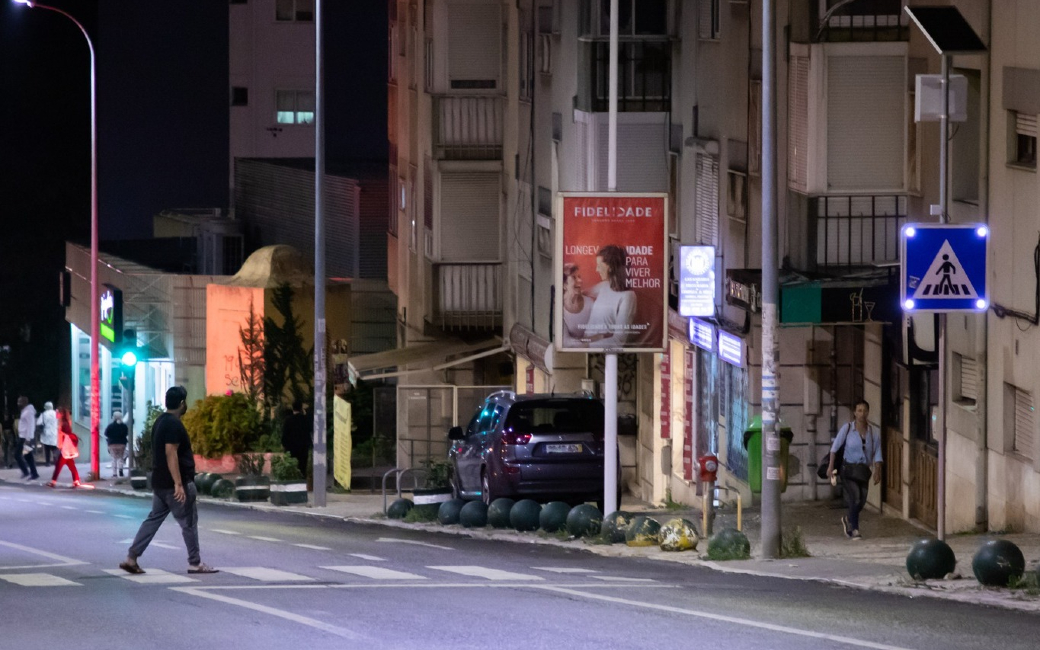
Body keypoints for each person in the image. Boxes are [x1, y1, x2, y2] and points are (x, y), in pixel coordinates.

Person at [120, 386, 218, 575]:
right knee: (188, 523)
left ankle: (131, 558)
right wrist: (179, 484)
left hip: (159, 483)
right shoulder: (174, 424)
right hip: (175, 484)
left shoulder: (160, 422)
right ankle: (195, 562)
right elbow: (170, 451)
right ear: (182, 403)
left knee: (153, 520)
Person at [826, 399, 883, 540]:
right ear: (854, 413)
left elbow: (877, 452)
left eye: (864, 411)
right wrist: (831, 466)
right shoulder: (847, 429)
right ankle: (854, 529)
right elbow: (834, 448)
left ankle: (848, 518)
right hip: (848, 469)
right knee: (856, 498)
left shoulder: (873, 432)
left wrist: (877, 470)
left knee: (862, 500)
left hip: (863, 471)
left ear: (868, 412)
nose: (862, 414)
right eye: (859, 410)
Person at [585, 245, 636, 349]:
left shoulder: (628, 296)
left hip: (600, 355)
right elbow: (579, 294)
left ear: (611, 267)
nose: (596, 270)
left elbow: (618, 341)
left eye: (599, 265)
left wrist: (585, 346)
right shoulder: (604, 286)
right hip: (583, 347)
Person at [47, 407, 91, 489]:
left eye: (57, 412)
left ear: (61, 414)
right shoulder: (66, 422)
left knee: (59, 466)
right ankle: (76, 481)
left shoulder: (62, 423)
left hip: (65, 449)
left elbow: (64, 436)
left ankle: (53, 482)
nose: (56, 414)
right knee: (71, 465)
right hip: (66, 448)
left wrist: (60, 445)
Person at [561, 263, 594, 346]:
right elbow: (565, 340)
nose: (580, 281)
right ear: (565, 285)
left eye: (579, 277)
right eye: (574, 277)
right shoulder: (559, 307)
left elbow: (592, 335)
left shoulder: (590, 303)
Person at [281, 400, 312, 477]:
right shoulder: (305, 419)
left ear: (293, 408)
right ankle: (302, 481)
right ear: (301, 408)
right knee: (302, 467)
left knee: (292, 467)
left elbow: (285, 434)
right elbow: (310, 429)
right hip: (303, 447)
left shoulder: (288, 420)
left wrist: (284, 445)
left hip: (291, 448)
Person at [14, 396, 40, 481]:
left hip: (26, 438)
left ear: (24, 402)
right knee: (27, 456)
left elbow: (31, 425)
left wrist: (28, 439)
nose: (18, 404)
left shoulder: (28, 412)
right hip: (23, 437)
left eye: (20, 402)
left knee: (19, 455)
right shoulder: (25, 411)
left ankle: (29, 472)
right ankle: (32, 473)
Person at [105, 410, 130, 478]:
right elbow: (126, 433)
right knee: (121, 458)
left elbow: (106, 433)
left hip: (112, 444)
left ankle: (114, 473)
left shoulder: (110, 426)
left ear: (114, 417)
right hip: (122, 444)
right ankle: (121, 471)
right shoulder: (124, 426)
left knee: (113, 458)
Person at [37, 402, 58, 466]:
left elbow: (38, 423)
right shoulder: (56, 413)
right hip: (55, 433)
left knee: (47, 448)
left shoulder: (43, 414)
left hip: (46, 433)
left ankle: (48, 462)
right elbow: (60, 421)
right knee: (54, 448)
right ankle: (56, 461)